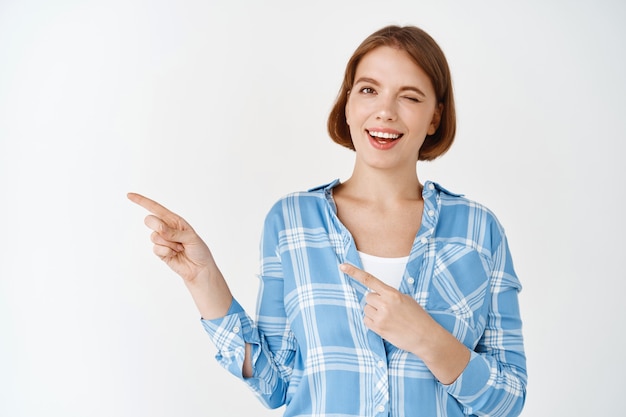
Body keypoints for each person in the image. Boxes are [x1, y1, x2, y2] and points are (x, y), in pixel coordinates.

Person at [128, 25, 527, 417]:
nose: (385, 111)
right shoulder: (292, 221)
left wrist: (427, 338)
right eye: (369, 90)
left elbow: (509, 401)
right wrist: (202, 278)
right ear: (348, 103)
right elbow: (276, 384)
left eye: (409, 97)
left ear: (435, 118)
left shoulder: (479, 229)